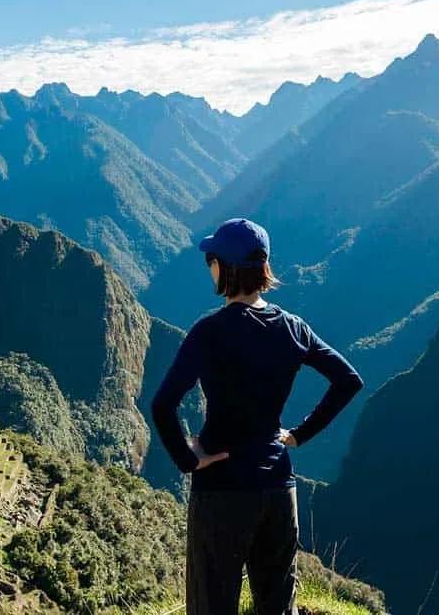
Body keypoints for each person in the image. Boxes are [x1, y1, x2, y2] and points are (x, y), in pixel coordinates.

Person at [151, 217, 363, 615]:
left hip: (222, 489)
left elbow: (163, 405)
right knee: (278, 606)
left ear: (225, 267)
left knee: (212, 605)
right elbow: (348, 380)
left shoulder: (209, 332)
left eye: (211, 259)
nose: (208, 266)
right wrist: (299, 436)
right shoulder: (294, 329)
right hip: (279, 489)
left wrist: (188, 459)